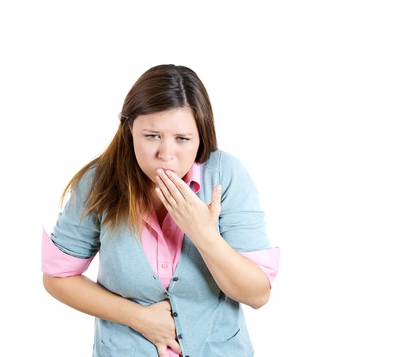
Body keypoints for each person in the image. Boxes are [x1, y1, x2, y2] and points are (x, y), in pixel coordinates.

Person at [41, 64, 280, 357]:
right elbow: (57, 277)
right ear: (129, 129)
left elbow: (257, 295)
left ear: (201, 137)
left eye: (182, 139)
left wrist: (204, 234)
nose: (166, 154)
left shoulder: (225, 176)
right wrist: (137, 317)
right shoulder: (97, 182)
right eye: (152, 135)